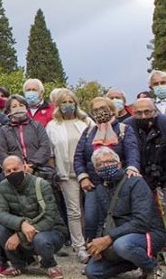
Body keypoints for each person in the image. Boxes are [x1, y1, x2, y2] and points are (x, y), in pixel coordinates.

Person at [83, 147, 166, 279]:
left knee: (123, 245)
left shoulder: (135, 182)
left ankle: (152, 268)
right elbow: (102, 221)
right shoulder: (100, 189)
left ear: (119, 164)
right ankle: (134, 261)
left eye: (109, 162)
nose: (105, 166)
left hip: (147, 233)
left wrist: (108, 238)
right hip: (119, 237)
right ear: (95, 170)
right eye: (99, 164)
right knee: (92, 272)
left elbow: (142, 221)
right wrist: (97, 246)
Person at [76, 97, 141, 245]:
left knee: (119, 217)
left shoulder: (124, 129)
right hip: (94, 182)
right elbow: (79, 156)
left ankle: (121, 250)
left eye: (103, 108)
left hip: (119, 183)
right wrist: (83, 177)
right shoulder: (88, 132)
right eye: (96, 109)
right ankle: (92, 250)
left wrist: (132, 168)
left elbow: (132, 151)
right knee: (91, 218)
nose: (100, 112)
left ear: (112, 109)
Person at [0, 156, 66, 279]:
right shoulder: (3, 186)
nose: (12, 173)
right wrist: (21, 224)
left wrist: (19, 235)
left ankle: (50, 265)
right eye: (8, 171)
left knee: (41, 240)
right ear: (4, 173)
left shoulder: (42, 184)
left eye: (16, 169)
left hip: (50, 231)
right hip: (22, 227)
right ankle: (17, 265)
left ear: (25, 167)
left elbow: (50, 217)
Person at [44, 88, 93, 263]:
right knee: (74, 211)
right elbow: (50, 154)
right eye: (64, 102)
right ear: (58, 105)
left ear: (76, 103)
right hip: (66, 174)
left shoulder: (85, 123)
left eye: (70, 102)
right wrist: (55, 174)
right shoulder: (52, 126)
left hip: (88, 172)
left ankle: (93, 242)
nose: (67, 105)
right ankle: (79, 246)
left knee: (91, 210)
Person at [125, 98, 166, 218]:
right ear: (133, 112)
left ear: (155, 111)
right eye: (139, 113)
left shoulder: (163, 123)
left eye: (147, 112)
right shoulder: (127, 126)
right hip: (142, 175)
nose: (143, 116)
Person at [0, 95, 53, 176]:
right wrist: (17, 166)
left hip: (37, 170)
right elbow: (1, 152)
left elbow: (45, 147)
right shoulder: (4, 130)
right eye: (14, 106)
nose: (18, 108)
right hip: (14, 173)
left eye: (21, 105)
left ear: (26, 108)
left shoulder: (37, 126)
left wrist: (32, 164)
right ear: (9, 111)